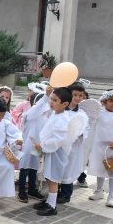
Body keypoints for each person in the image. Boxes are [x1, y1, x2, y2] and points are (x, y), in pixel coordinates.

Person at [32, 87, 73, 216]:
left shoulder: (63, 119)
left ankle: (52, 206)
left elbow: (58, 140)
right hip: (51, 152)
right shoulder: (56, 114)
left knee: (52, 179)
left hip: (56, 153)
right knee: (49, 176)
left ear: (65, 104)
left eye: (55, 100)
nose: (52, 102)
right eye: (51, 99)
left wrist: (43, 145)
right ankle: (49, 201)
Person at [57, 82, 89, 204]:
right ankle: (57, 191)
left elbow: (86, 129)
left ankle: (66, 194)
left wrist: (79, 133)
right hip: (60, 145)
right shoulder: (61, 110)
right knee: (59, 168)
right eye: (75, 94)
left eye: (80, 95)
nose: (77, 98)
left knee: (68, 169)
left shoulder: (82, 114)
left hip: (73, 147)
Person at [16, 93, 47, 203]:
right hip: (28, 145)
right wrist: (45, 97)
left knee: (34, 167)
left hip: (37, 145)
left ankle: (31, 189)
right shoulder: (31, 113)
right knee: (25, 168)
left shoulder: (44, 115)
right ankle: (21, 191)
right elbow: (38, 107)